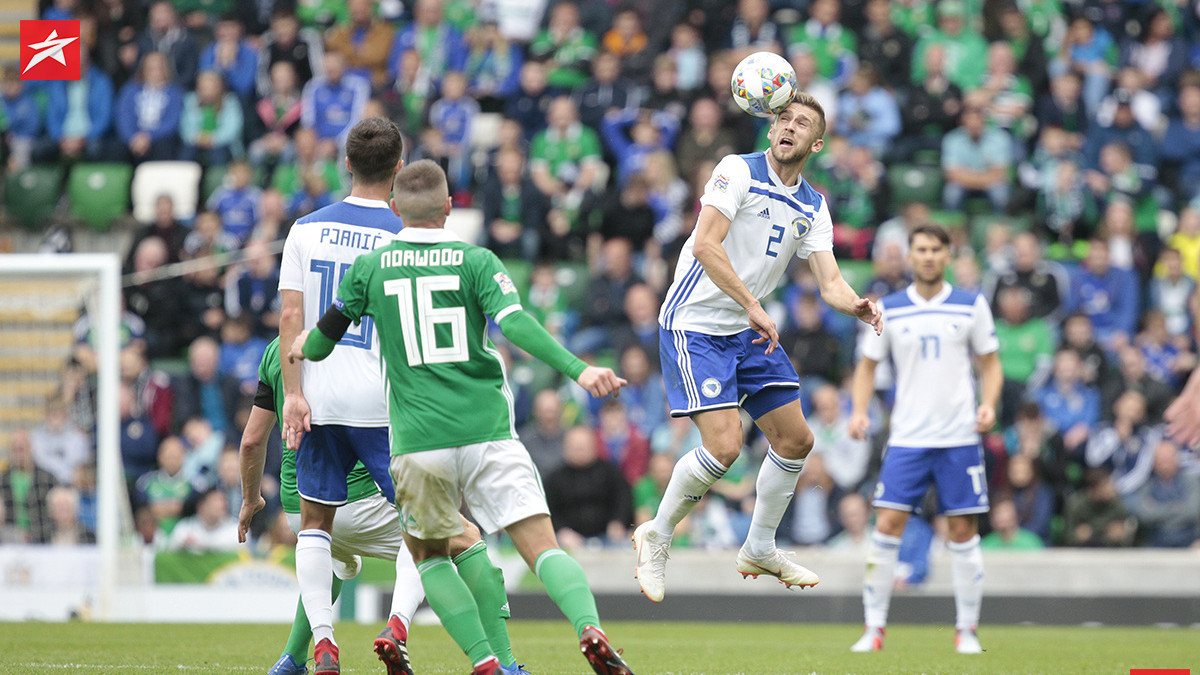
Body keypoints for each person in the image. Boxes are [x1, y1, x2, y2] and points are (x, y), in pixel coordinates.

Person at [288, 160, 634, 675]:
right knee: (543, 547)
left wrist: (302, 343)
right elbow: (515, 325)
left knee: (429, 557)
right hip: (486, 431)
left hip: (418, 441)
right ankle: (589, 627)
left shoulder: (371, 268)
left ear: (395, 209)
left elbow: (318, 343)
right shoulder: (476, 260)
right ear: (450, 208)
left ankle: (485, 661)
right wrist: (579, 370)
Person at [632, 93, 882, 604]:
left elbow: (829, 281)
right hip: (695, 323)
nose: (789, 127)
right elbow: (705, 244)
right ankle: (657, 534)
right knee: (724, 447)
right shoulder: (736, 170)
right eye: (783, 119)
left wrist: (856, 304)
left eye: (802, 123)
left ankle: (760, 547)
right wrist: (751, 303)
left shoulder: (812, 204)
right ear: (770, 131)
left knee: (796, 440)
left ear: (817, 143)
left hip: (748, 326)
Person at [239, 338, 527, 675]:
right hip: (358, 497)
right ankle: (498, 662)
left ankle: (293, 658)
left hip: (297, 506)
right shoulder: (365, 340)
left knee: (339, 563)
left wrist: (250, 499)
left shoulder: (277, 349)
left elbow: (251, 440)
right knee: (459, 539)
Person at [277, 117, 410, 675]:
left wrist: (293, 393)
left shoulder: (305, 228)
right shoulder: (407, 235)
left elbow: (291, 316)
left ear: (346, 164)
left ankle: (323, 645)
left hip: (322, 395)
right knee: (428, 524)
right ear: (399, 169)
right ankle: (397, 626)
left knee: (315, 524)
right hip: (386, 403)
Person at [848, 223, 1002, 654]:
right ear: (910, 256)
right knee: (887, 526)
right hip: (908, 437)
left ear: (948, 255)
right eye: (921, 249)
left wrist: (988, 403)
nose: (929, 256)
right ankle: (874, 629)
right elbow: (866, 366)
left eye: (936, 249)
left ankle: (967, 630)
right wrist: (859, 411)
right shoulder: (889, 308)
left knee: (962, 531)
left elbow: (990, 364)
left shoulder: (972, 305)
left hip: (958, 437)